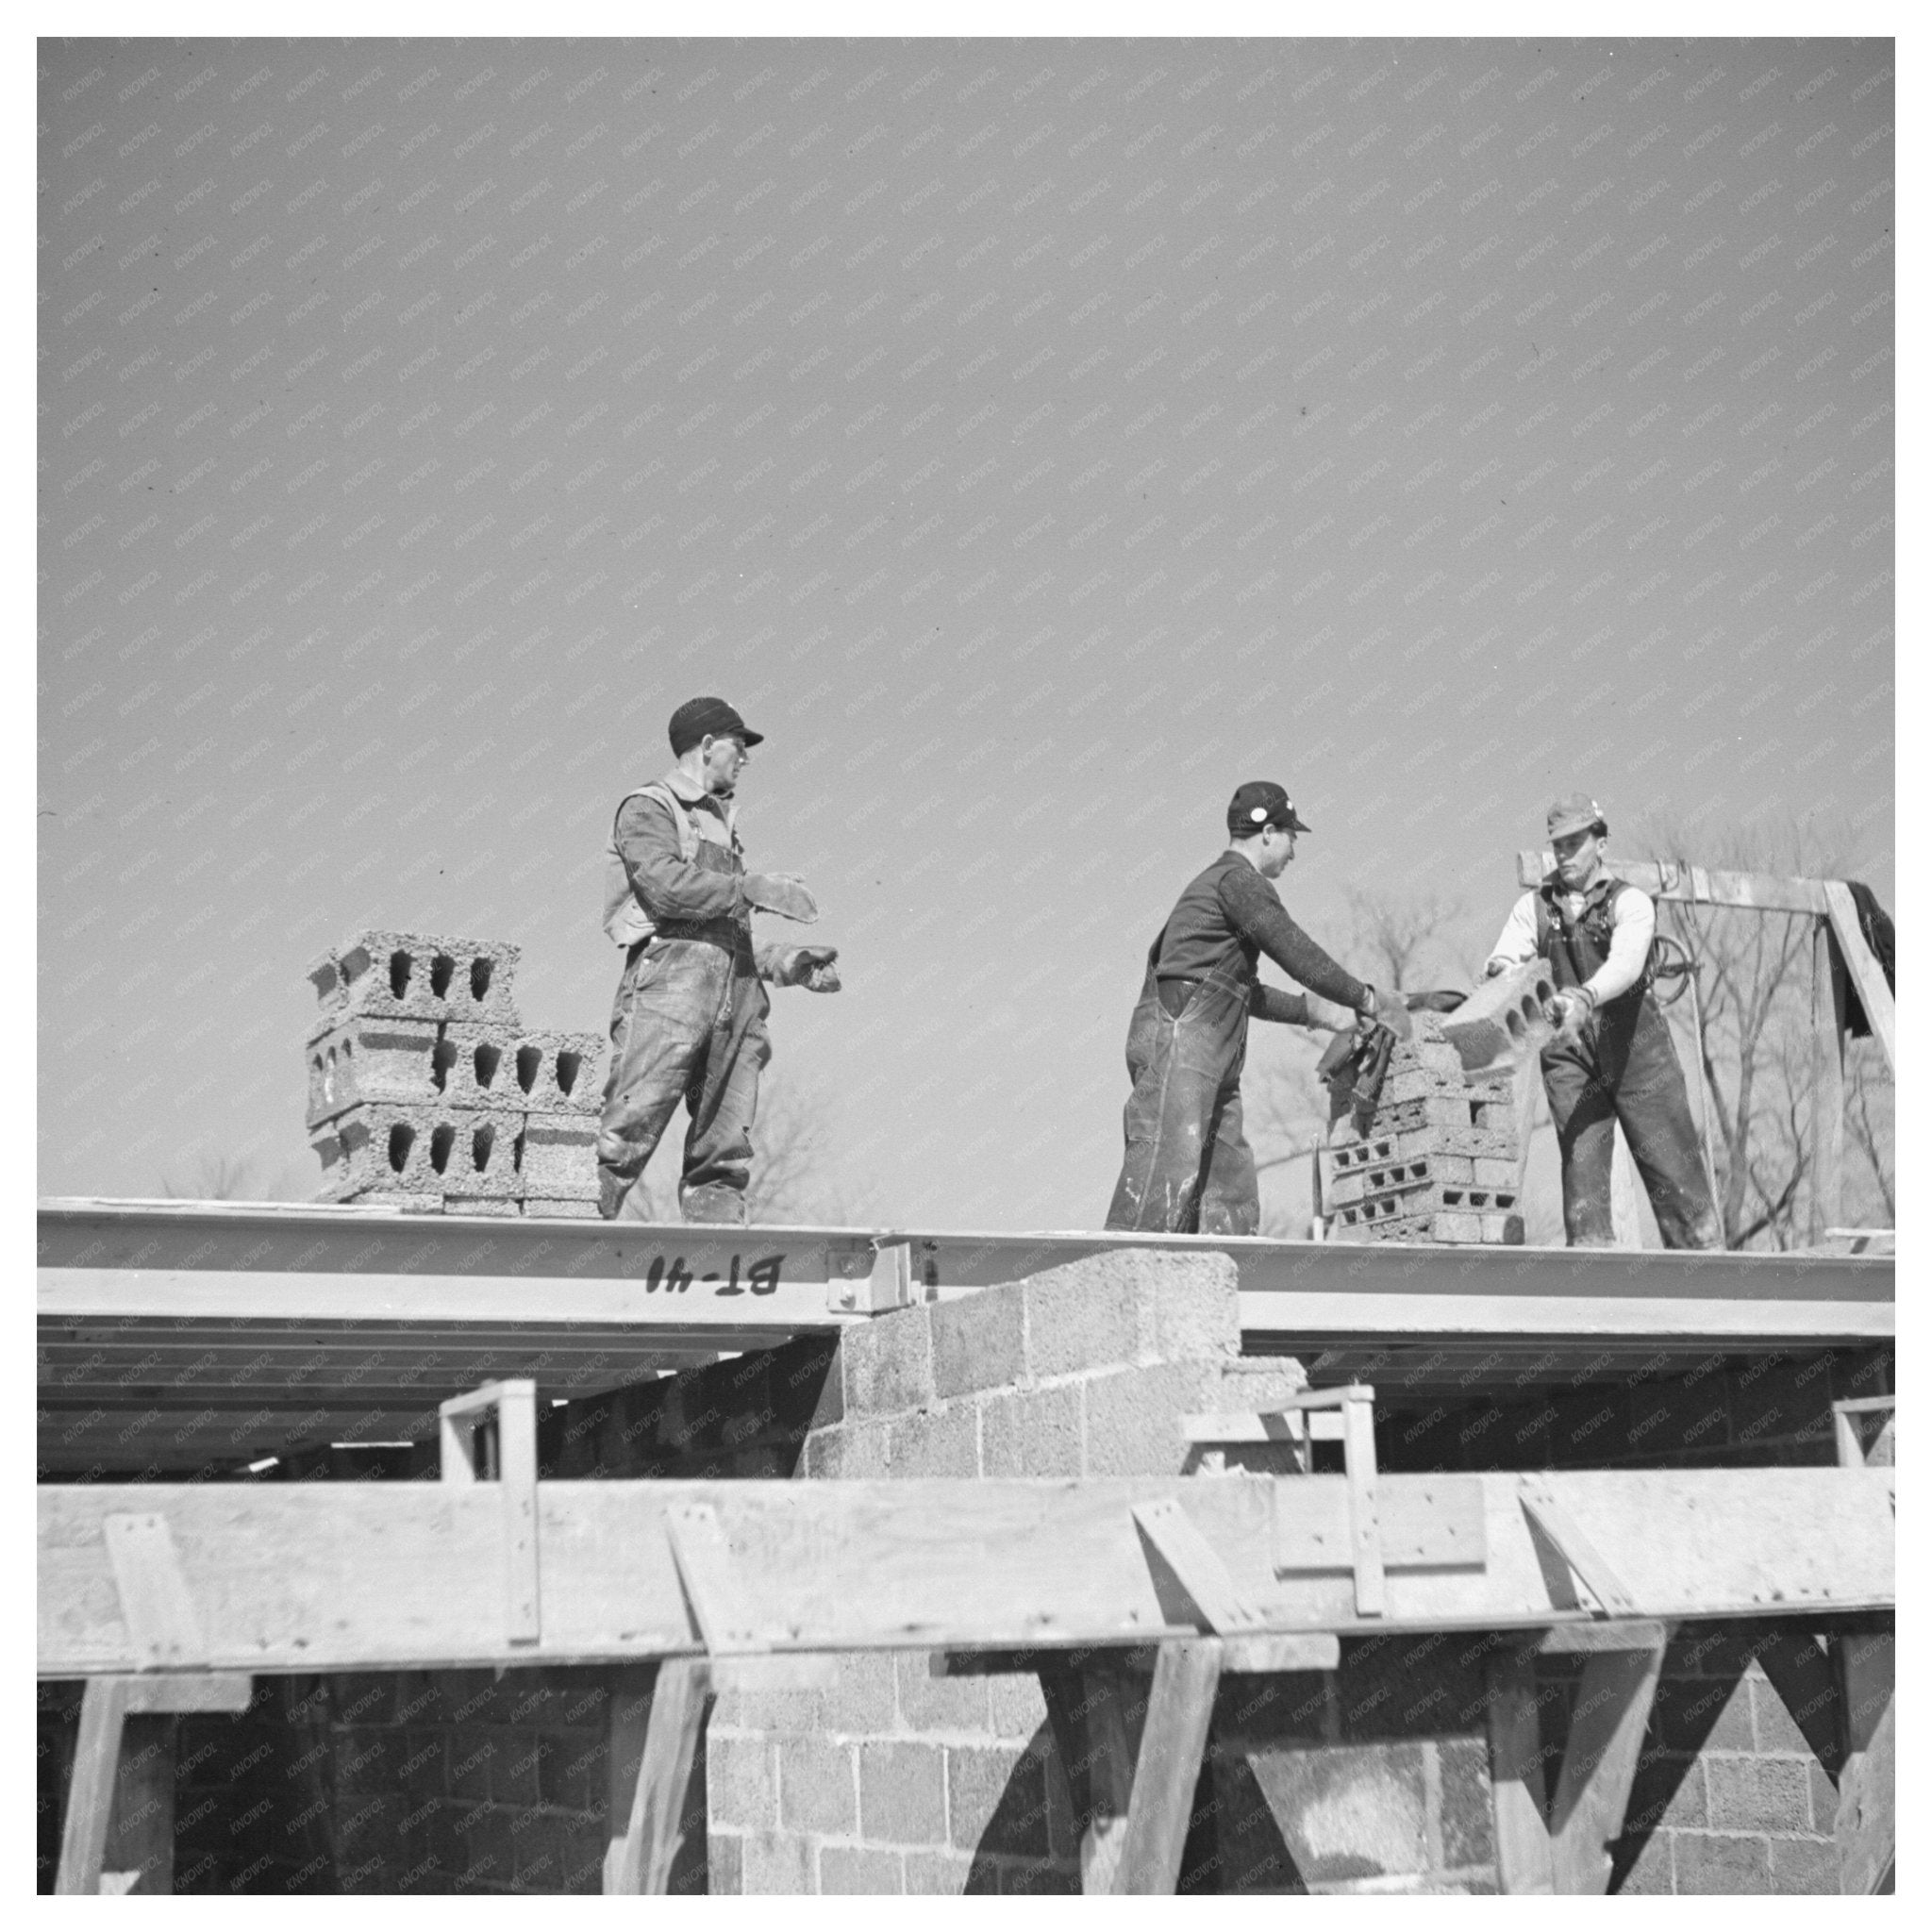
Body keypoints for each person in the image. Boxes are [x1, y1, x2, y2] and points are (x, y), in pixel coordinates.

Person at [1105, 781, 1412, 1235]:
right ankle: (1118, 1279)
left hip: (1208, 1054)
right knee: (1165, 1174)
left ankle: (1227, 1281)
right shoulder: (1237, 882)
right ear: (1268, 832)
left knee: (1228, 1187)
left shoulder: (1227, 890)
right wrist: (1368, 998)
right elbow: (1296, 954)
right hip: (1181, 1047)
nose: (1293, 851)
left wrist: (1321, 1013)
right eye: (1292, 837)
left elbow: (1240, 991)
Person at [595, 696, 840, 1224]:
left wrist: (785, 961)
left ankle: (717, 1251)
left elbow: (728, 937)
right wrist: (750, 887)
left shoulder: (721, 827)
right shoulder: (649, 807)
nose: (745, 759)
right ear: (706, 746)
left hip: (736, 998)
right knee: (627, 1128)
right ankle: (567, 1228)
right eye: (739, 746)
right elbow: (664, 889)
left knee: (723, 1147)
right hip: (670, 988)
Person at [1485, 792, 1722, 1249]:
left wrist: (1586, 995)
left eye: (1575, 842)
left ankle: (1704, 1275)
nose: (1564, 853)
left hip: (1637, 1050)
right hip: (1571, 1053)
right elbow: (1507, 955)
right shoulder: (1535, 908)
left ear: (1601, 844)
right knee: (1582, 1179)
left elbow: (1627, 963)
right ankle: (1590, 1282)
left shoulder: (1629, 903)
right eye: (1557, 844)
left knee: (1674, 1174)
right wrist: (1499, 973)